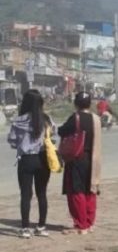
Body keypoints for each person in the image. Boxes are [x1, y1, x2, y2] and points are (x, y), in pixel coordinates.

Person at [6, 90, 54, 238]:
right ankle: (41, 226)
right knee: (42, 193)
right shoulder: (47, 119)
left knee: (26, 195)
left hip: (26, 160)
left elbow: (12, 141)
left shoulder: (18, 121)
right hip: (42, 159)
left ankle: (25, 228)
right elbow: (53, 136)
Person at [59, 92, 102, 235]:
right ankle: (90, 223)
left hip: (77, 158)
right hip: (92, 158)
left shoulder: (75, 118)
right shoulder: (96, 118)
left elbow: (62, 131)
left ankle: (80, 224)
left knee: (76, 191)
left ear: (76, 104)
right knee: (90, 189)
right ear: (89, 104)